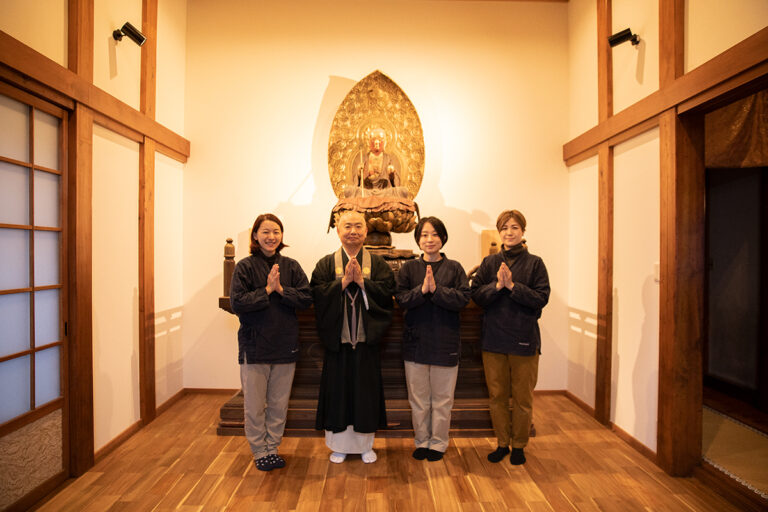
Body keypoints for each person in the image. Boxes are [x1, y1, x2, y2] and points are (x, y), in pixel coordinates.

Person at [310, 209, 395, 463]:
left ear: (366, 231)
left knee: (365, 396)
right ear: (338, 230)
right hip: (338, 344)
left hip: (366, 344)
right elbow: (316, 295)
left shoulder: (378, 265)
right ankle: (339, 446)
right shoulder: (326, 264)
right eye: (347, 226)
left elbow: (388, 294)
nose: (353, 232)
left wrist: (363, 283)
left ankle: (365, 446)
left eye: (358, 226)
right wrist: (343, 283)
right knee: (338, 395)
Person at [229, 213, 312, 471]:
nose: (271, 236)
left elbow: (306, 299)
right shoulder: (244, 267)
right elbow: (237, 303)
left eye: (276, 231)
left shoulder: (291, 266)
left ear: (281, 235)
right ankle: (259, 450)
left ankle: (272, 448)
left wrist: (281, 290)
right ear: (255, 235)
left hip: (285, 344)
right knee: (255, 405)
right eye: (265, 231)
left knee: (278, 404)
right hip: (255, 346)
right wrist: (266, 290)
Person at [470, 210, 550, 466]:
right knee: (497, 397)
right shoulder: (489, 263)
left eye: (514, 227)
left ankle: (519, 445)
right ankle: (502, 443)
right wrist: (496, 286)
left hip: (524, 340)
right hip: (493, 339)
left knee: (523, 399)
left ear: (523, 231)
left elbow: (541, 298)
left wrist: (513, 287)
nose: (509, 232)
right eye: (504, 228)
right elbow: (476, 295)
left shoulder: (535, 263)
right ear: (499, 232)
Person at [395, 217, 470, 461]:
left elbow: (463, 299)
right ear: (418, 240)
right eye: (424, 235)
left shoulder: (455, 268)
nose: (429, 239)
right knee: (418, 400)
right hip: (415, 343)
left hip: (445, 343)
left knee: (442, 400)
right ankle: (422, 441)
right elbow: (400, 299)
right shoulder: (408, 269)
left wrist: (436, 291)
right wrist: (421, 291)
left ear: (443, 238)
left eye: (435, 234)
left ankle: (438, 443)